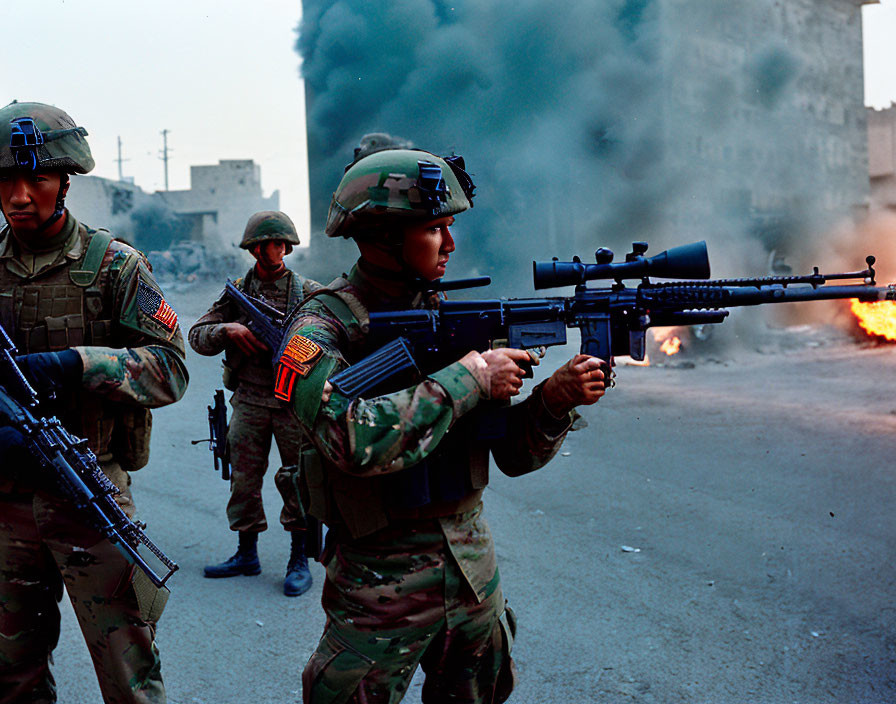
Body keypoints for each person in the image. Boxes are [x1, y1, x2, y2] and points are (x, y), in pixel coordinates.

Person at [274, 143, 607, 703]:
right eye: (434, 229)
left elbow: (513, 455)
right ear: (383, 236)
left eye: (449, 227)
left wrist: (553, 400)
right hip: (379, 588)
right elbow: (350, 437)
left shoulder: (454, 317)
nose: (451, 244)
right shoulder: (317, 329)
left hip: (472, 572)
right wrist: (471, 378)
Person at [0, 101, 188, 703]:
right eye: (7, 180)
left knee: (130, 676)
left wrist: (81, 364)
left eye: (38, 178)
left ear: (66, 180)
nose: (21, 195)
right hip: (5, 505)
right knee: (10, 675)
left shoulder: (114, 266)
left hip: (87, 491)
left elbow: (173, 370)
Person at [189, 211, 317, 596]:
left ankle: (299, 558)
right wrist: (228, 329)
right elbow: (197, 335)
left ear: (287, 246)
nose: (270, 251)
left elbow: (334, 339)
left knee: (297, 479)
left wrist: (300, 350)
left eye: (277, 244)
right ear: (252, 248)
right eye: (262, 245)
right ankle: (247, 552)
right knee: (244, 478)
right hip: (249, 398)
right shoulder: (237, 295)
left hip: (292, 400)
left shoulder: (308, 293)